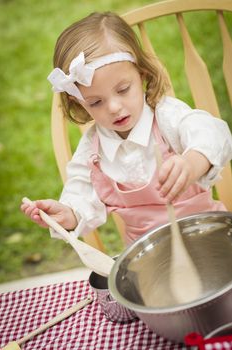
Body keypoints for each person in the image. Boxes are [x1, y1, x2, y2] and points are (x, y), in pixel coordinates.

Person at [21, 11, 232, 245]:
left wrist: (192, 162)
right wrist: (68, 214)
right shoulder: (92, 152)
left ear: (141, 75)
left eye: (123, 90)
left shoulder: (166, 117)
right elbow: (81, 196)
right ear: (78, 102)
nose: (113, 107)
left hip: (207, 234)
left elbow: (214, 133)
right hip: (147, 255)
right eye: (95, 102)